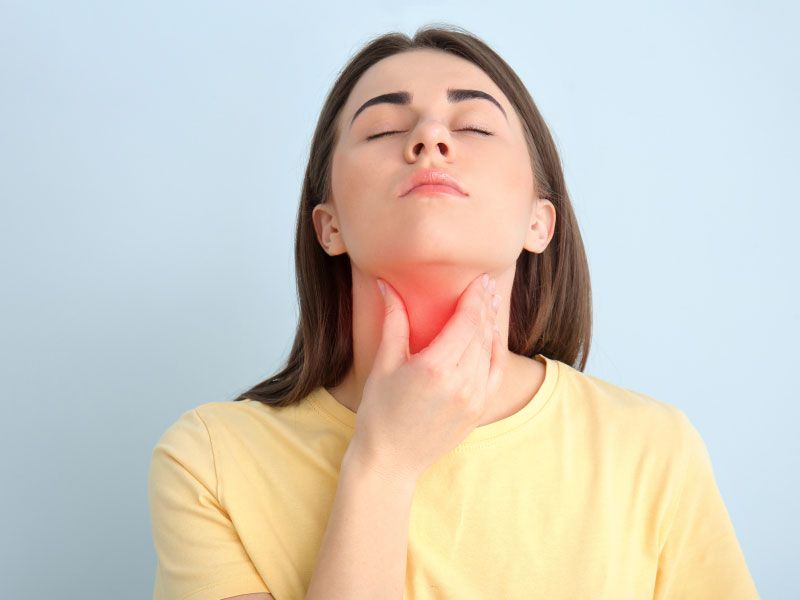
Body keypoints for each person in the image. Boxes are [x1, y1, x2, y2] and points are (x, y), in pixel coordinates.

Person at [147, 24, 760, 599]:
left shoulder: (652, 448)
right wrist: (383, 465)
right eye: (383, 129)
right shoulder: (212, 462)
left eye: (474, 127)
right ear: (328, 226)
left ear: (539, 221)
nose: (430, 139)